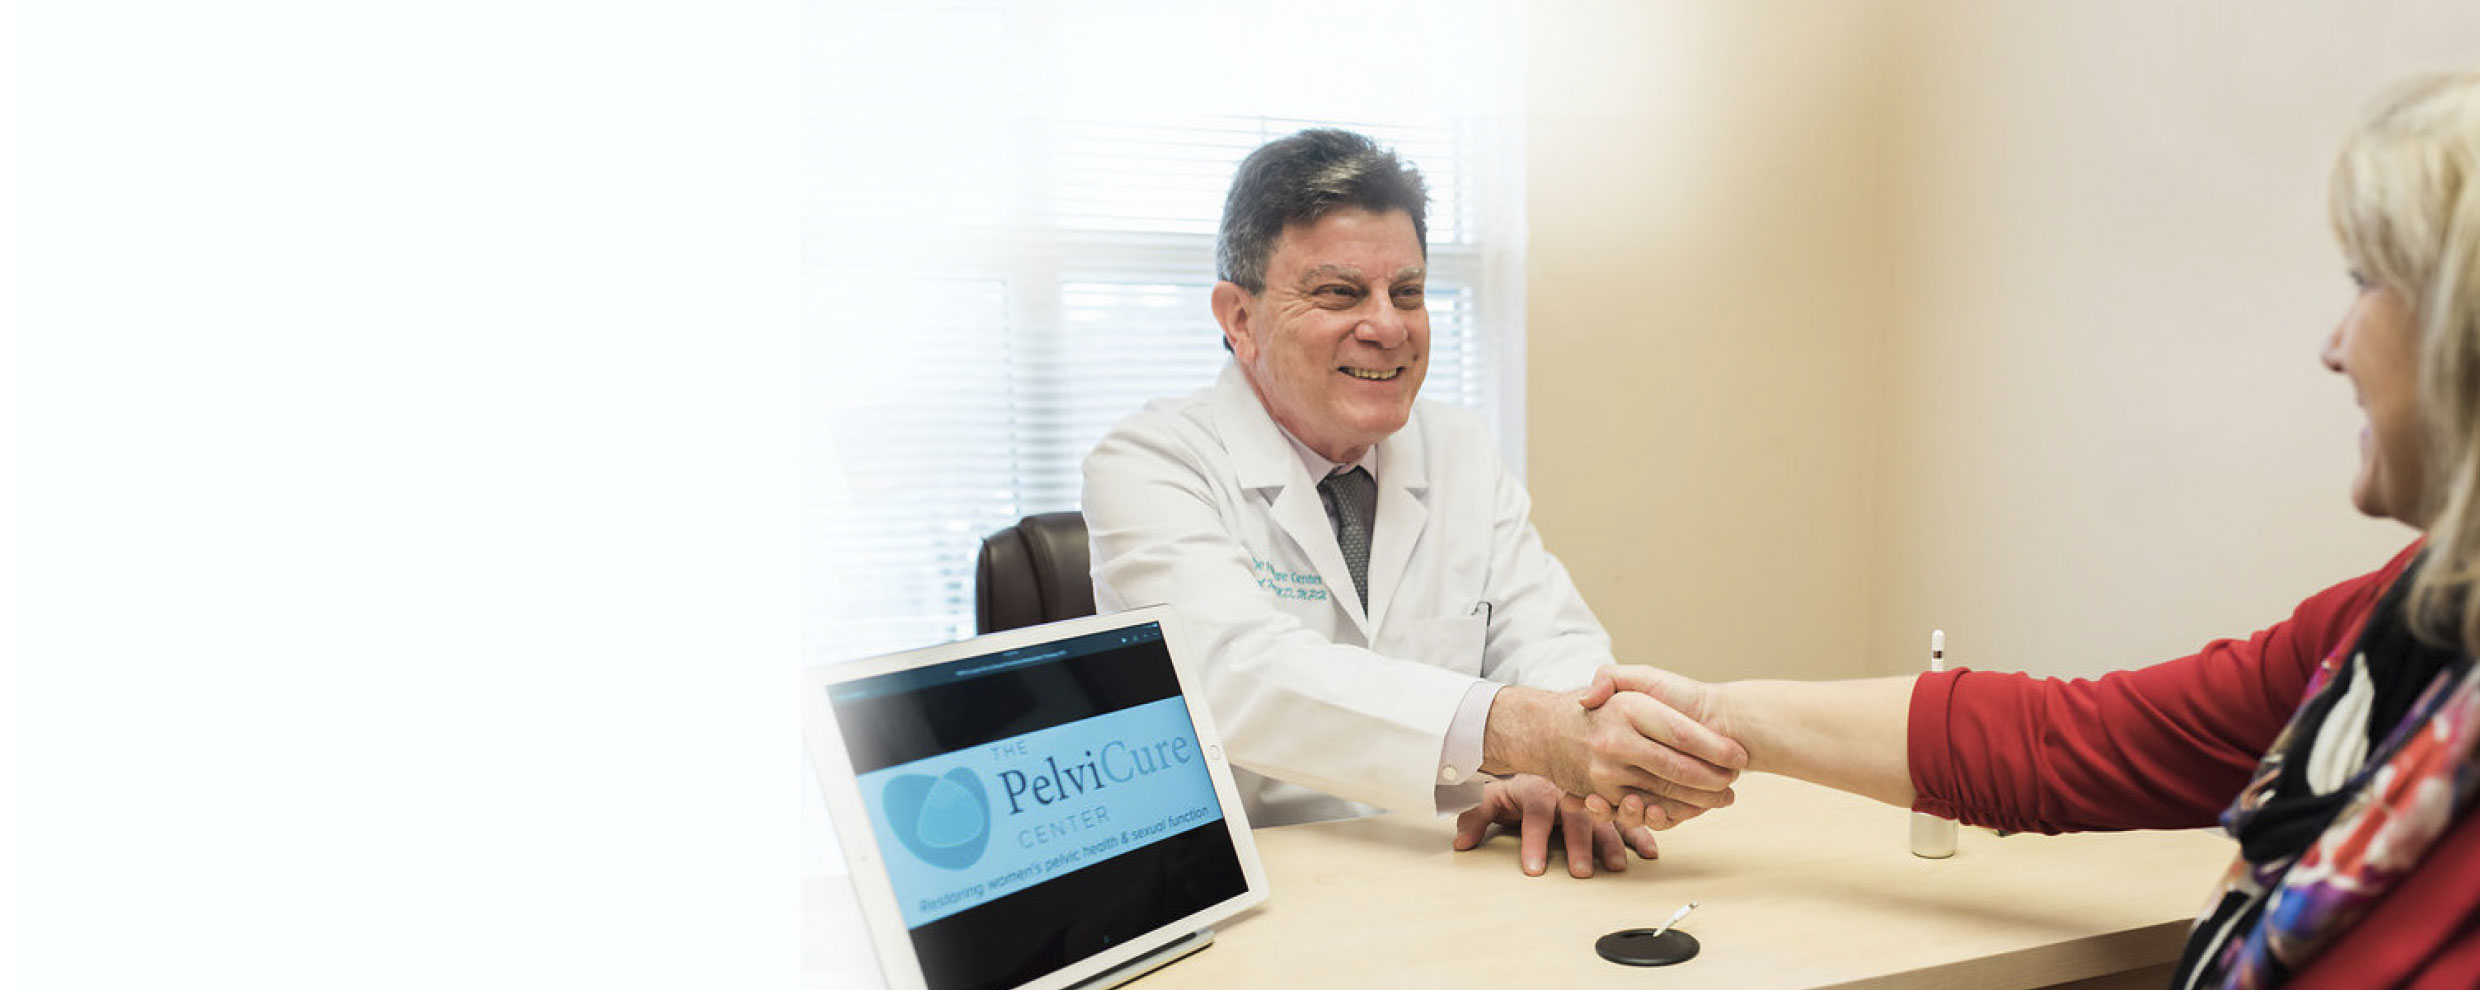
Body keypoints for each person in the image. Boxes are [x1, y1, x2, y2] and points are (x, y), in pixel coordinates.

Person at [1575, 72, 2480, 987]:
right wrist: (1723, 720)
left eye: (2368, 283)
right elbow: (2070, 740)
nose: (2334, 346)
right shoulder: (2410, 616)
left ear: (2462, 327)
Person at [1081, 129, 1744, 876]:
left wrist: (1571, 766)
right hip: (1254, 882)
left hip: (1450, 869)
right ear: (1239, 318)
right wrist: (1523, 732)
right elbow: (1236, 677)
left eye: (1408, 293)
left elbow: (1551, 639)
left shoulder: (1456, 448)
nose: (1388, 326)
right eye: (1338, 293)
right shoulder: (1149, 462)